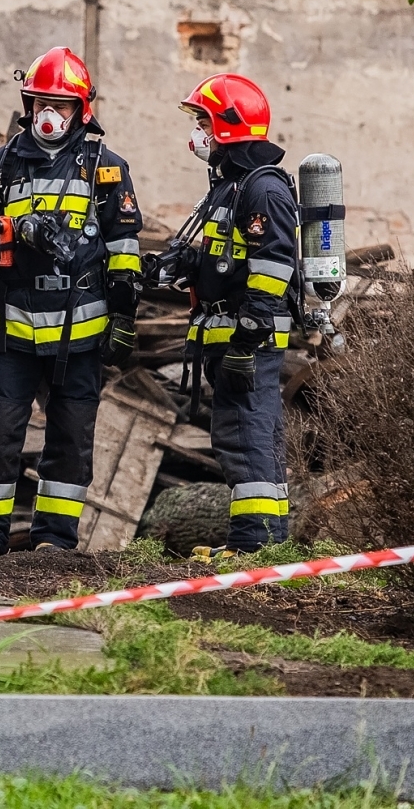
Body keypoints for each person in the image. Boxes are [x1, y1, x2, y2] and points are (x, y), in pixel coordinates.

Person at [0, 47, 143, 558]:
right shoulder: (2, 166)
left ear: (81, 109)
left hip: (80, 337)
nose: (49, 116)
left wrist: (123, 316)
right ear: (27, 104)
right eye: (39, 103)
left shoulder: (107, 169)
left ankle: (54, 541)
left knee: (71, 439)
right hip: (14, 334)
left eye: (61, 105)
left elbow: (124, 250)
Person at [153, 74, 299, 559]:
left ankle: (254, 544)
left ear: (228, 126)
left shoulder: (262, 189)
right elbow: (230, 261)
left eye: (203, 121)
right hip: (230, 335)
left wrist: (248, 336)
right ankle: (267, 542)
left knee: (246, 434)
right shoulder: (230, 188)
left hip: (248, 341)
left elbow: (274, 267)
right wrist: (189, 265)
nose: (197, 134)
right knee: (243, 432)